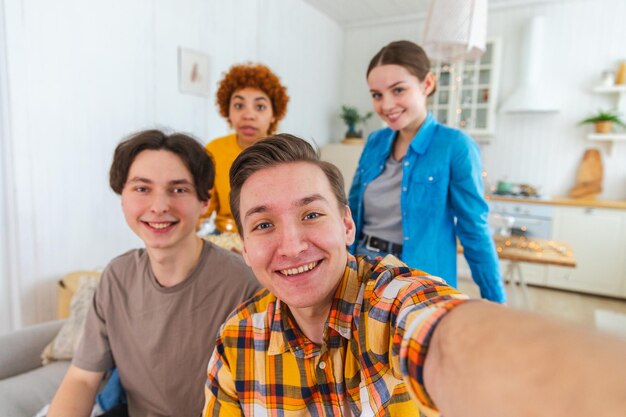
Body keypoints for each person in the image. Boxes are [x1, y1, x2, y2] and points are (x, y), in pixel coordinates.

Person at [202, 134, 626, 417]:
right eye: (263, 225)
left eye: (312, 214)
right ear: (243, 243)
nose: (291, 246)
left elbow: (442, 337)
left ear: (347, 226)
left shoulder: (390, 300)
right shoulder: (236, 341)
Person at [48, 130, 262, 417]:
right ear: (122, 197)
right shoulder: (116, 277)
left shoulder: (244, 285)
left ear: (205, 201)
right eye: (142, 189)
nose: (159, 206)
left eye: (178, 190)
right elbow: (82, 379)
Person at [348, 40, 506, 303]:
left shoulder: (455, 146)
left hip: (419, 286)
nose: (386, 105)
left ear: (427, 84)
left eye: (398, 90)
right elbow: (351, 213)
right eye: (377, 95)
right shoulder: (375, 142)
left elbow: (474, 230)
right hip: (363, 274)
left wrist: (497, 302)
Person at [202, 63, 289, 234]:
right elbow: (203, 205)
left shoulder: (287, 153)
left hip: (273, 234)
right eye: (239, 106)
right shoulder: (214, 150)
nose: (248, 115)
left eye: (260, 107)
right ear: (227, 111)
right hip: (225, 236)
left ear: (273, 114)